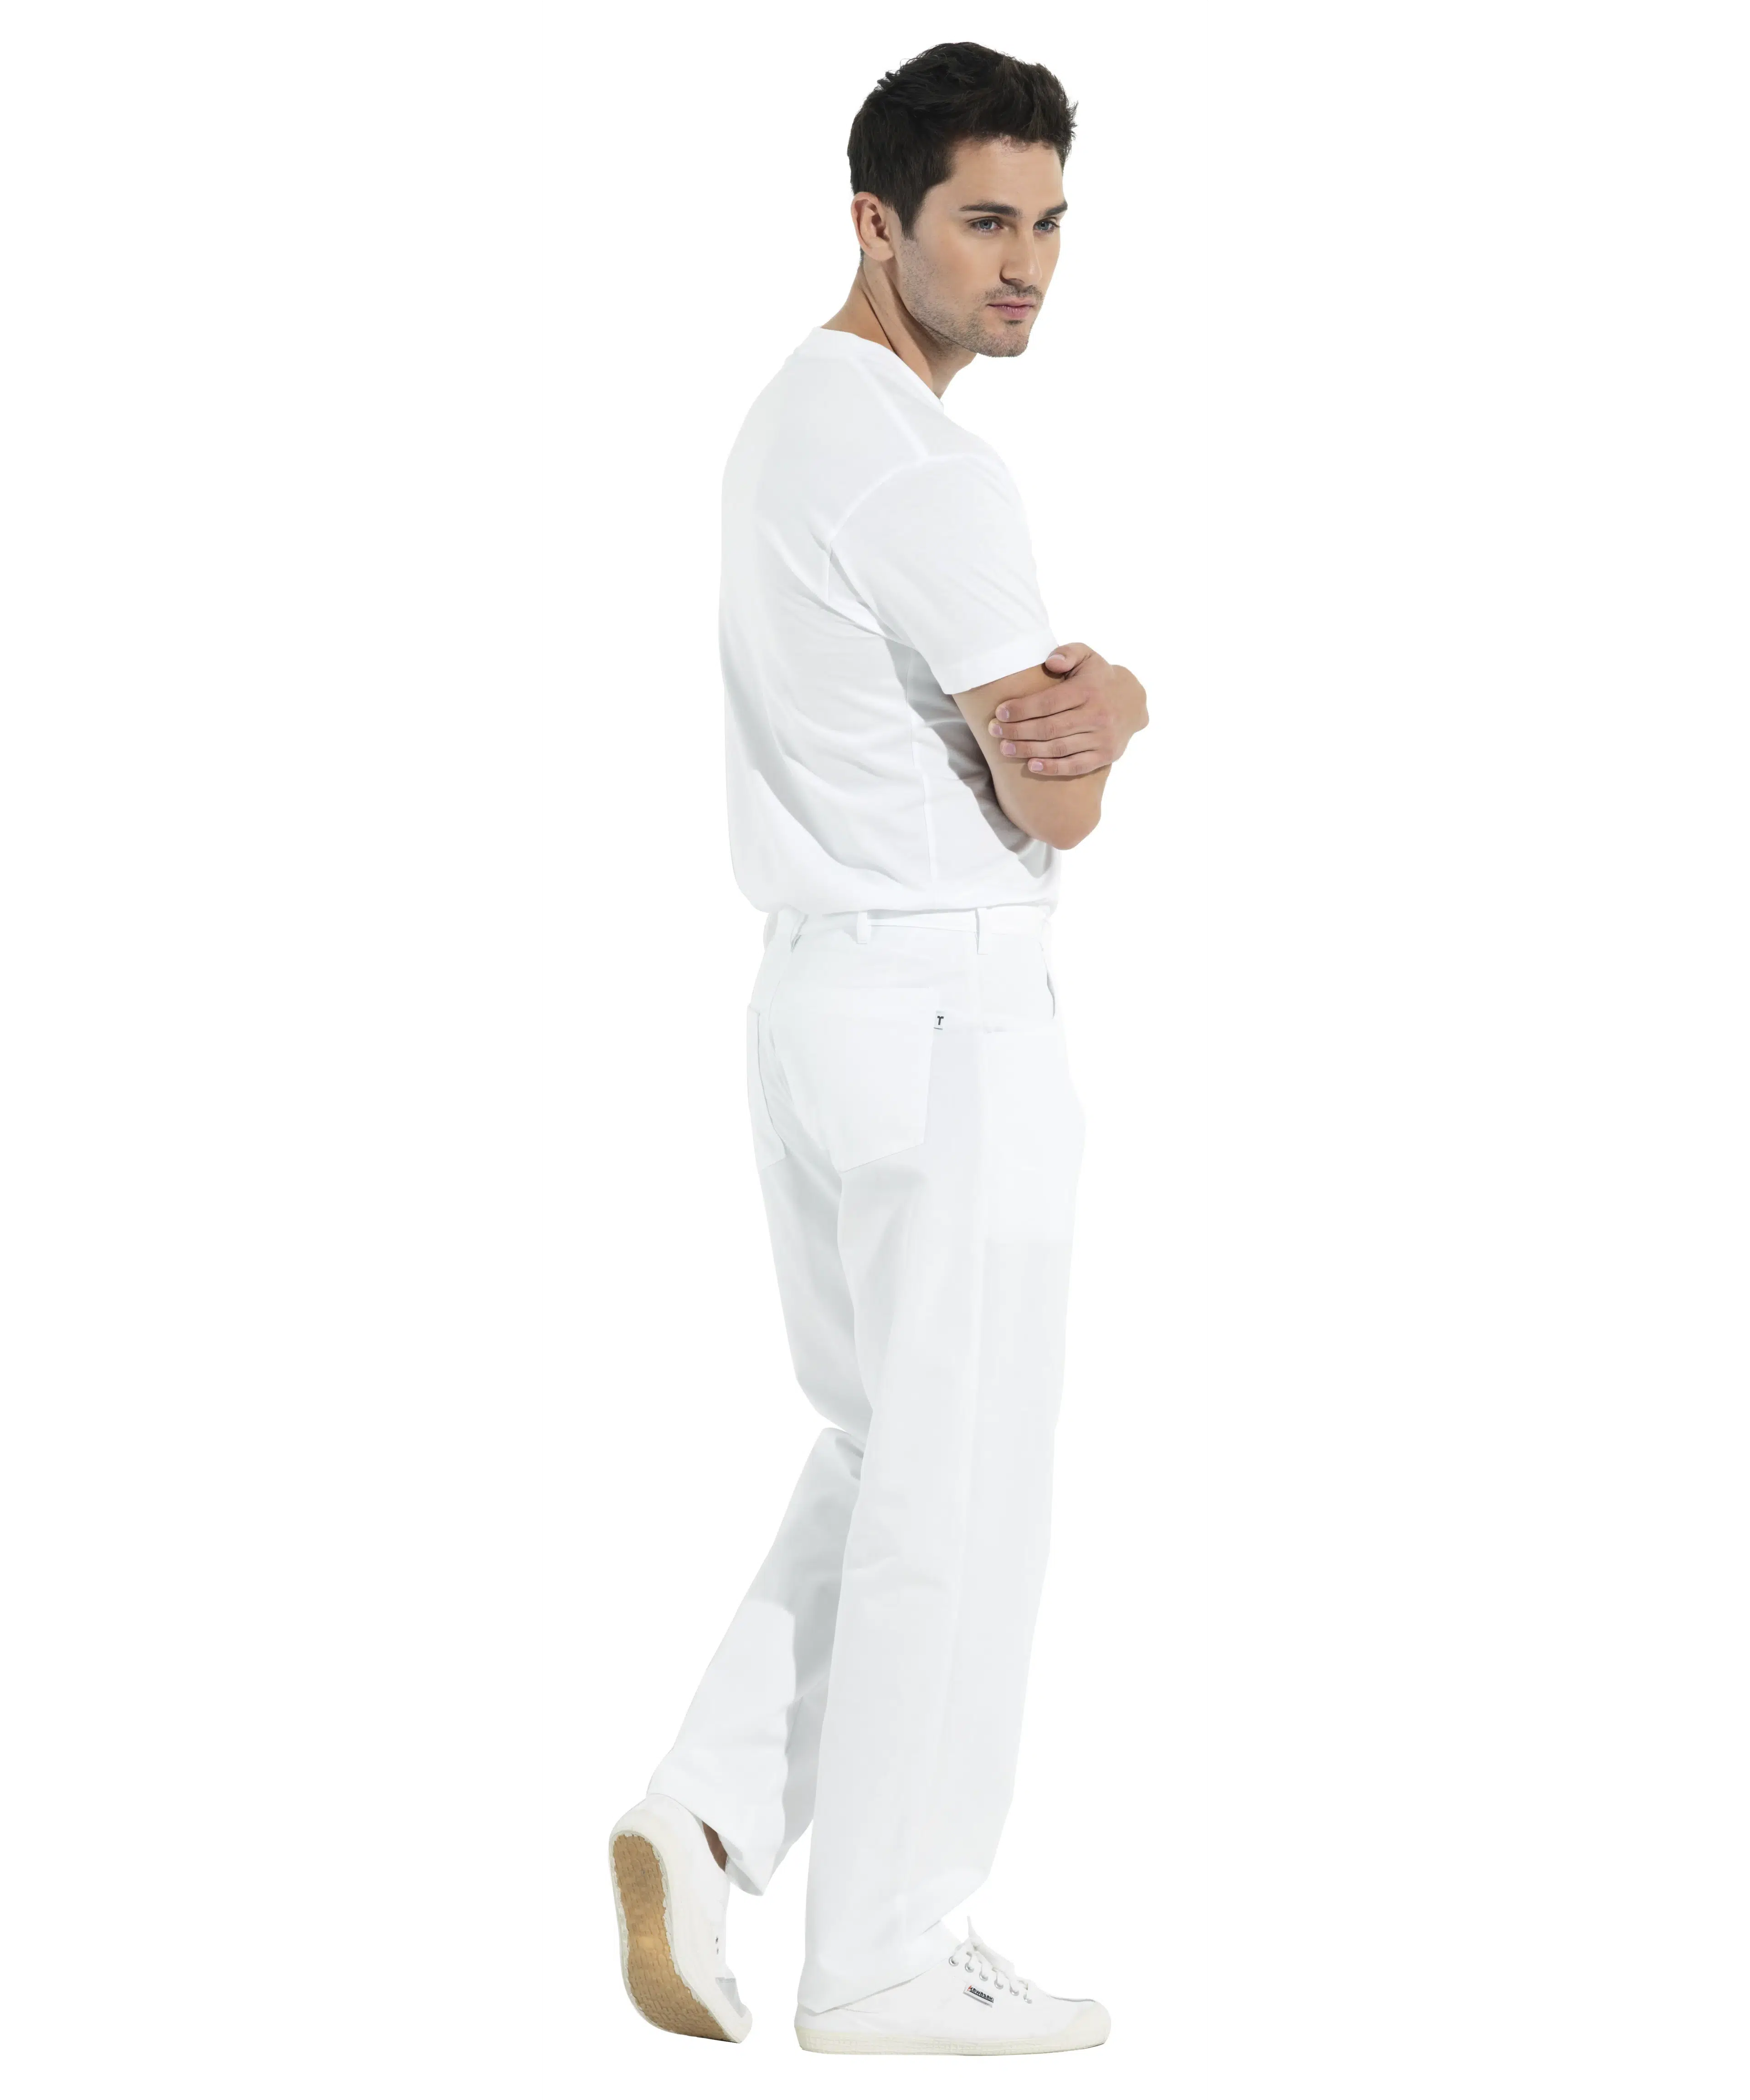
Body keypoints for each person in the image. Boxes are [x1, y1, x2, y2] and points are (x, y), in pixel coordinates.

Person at [608, 41, 1148, 2057]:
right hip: (945, 1008)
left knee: (881, 1449)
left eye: (1052, 224)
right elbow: (1059, 789)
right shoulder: (929, 470)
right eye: (985, 222)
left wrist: (1080, 707)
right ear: (876, 222)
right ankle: (887, 1955)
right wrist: (1131, 700)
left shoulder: (786, 422)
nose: (1028, 266)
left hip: (818, 1000)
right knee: (960, 1485)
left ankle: (706, 1811)